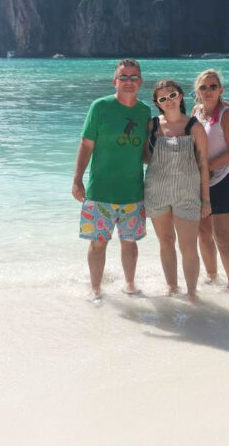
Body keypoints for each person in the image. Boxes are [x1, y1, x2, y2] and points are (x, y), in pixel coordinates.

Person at [73, 58, 152, 299]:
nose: (128, 81)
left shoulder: (145, 112)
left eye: (133, 77)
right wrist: (77, 180)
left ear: (140, 81)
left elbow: (146, 153)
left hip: (133, 192)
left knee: (130, 242)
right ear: (114, 81)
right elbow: (86, 145)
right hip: (100, 192)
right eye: (123, 77)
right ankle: (96, 290)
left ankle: (130, 285)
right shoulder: (100, 107)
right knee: (98, 243)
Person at [143, 79, 211, 300]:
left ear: (180, 96)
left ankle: (192, 293)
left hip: (187, 193)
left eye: (172, 95)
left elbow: (204, 164)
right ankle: (171, 288)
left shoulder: (195, 126)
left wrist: (206, 200)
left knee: (189, 247)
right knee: (165, 242)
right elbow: (144, 157)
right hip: (156, 191)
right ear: (157, 103)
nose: (169, 101)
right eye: (163, 98)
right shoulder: (152, 126)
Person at [191, 69, 229, 289]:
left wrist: (207, 167)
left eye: (213, 86)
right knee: (203, 234)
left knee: (222, 237)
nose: (208, 91)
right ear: (197, 91)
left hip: (225, 178)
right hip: (201, 180)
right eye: (203, 87)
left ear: (221, 90)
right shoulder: (196, 112)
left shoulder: (226, 115)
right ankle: (212, 277)